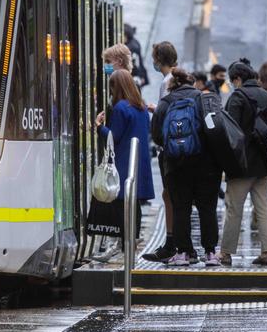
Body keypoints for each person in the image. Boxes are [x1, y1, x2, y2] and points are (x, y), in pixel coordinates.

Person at [150, 69, 223, 266]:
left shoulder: (165, 103)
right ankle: (210, 253)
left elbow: (156, 136)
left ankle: (182, 253)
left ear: (171, 85)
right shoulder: (203, 99)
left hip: (176, 165)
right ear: (192, 82)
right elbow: (216, 129)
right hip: (205, 165)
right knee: (207, 208)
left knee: (181, 208)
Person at [217, 58, 267, 267]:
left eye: (233, 81)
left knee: (234, 209)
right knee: (263, 207)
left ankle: (226, 253)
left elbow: (230, 133)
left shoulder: (237, 98)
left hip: (241, 165)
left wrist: (226, 164)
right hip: (263, 164)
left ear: (238, 79)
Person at [94, 69, 155, 259]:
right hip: (140, 162)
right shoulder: (142, 107)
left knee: (120, 205)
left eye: (112, 87)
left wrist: (99, 127)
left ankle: (123, 246)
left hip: (123, 161)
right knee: (134, 204)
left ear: (117, 87)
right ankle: (131, 245)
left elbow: (114, 137)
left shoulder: (120, 108)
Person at [142, 41, 182, 263]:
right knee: (174, 196)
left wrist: (154, 111)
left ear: (159, 59)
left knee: (170, 196)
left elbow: (167, 114)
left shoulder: (167, 82)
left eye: (154, 58)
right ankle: (176, 243)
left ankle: (172, 243)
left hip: (170, 147)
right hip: (183, 146)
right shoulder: (180, 76)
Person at [124, 23, 149, 88]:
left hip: (136, 76)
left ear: (126, 35)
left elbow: (137, 64)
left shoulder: (131, 47)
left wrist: (139, 77)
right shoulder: (134, 42)